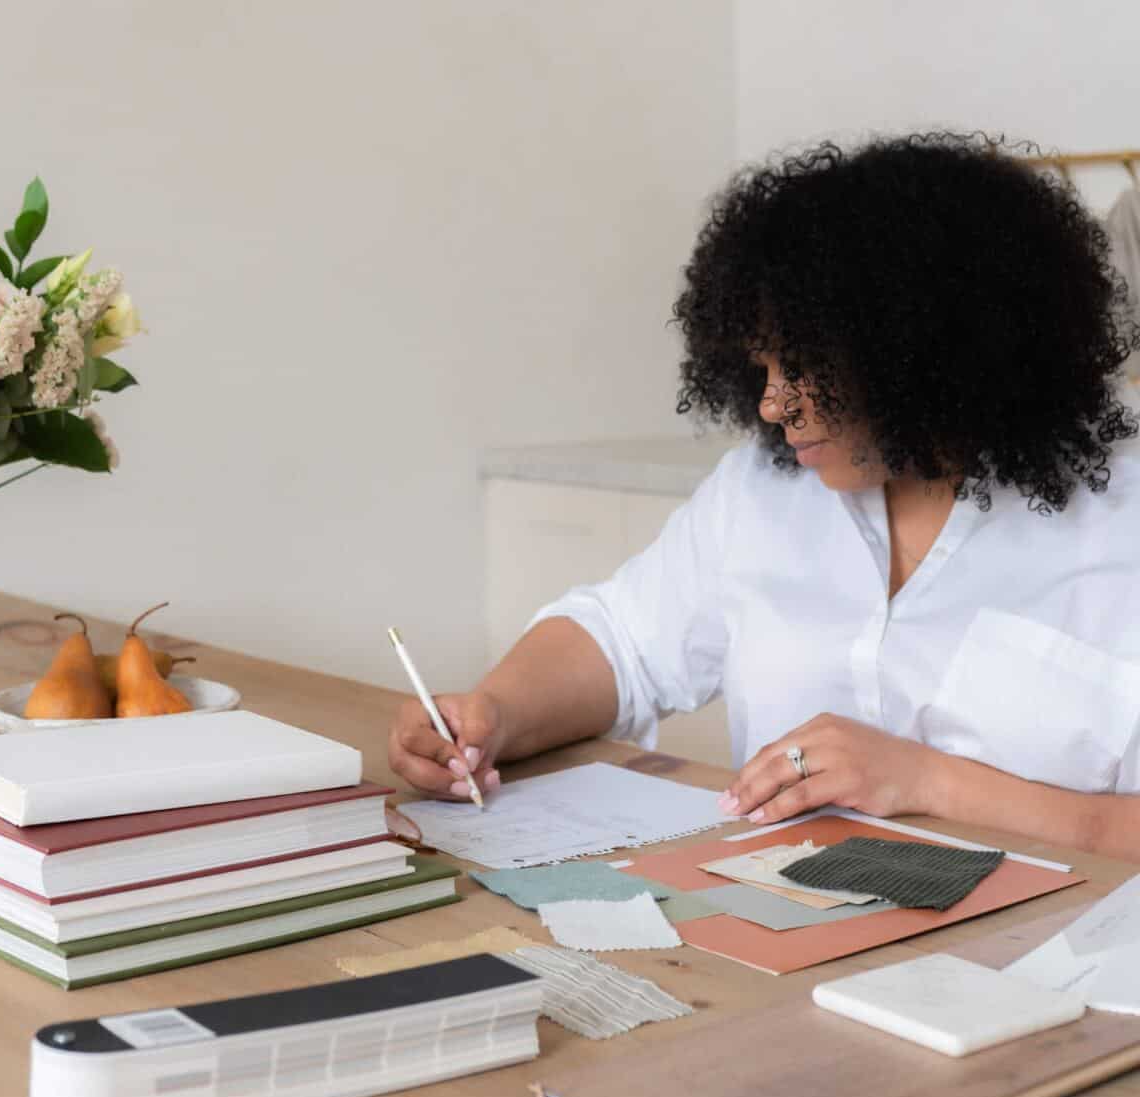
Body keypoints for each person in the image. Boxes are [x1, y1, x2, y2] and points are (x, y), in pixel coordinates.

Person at [389, 132, 1140, 860]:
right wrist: (493, 714)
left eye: (804, 366)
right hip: (783, 935)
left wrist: (926, 779)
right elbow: (622, 642)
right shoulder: (766, 488)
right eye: (762, 367)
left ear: (923, 353)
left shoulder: (1120, 522)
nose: (772, 406)